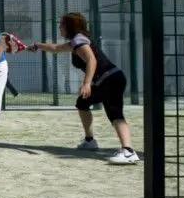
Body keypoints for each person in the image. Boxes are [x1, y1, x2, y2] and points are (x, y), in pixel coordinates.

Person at [29, 12, 139, 165]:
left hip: (111, 80)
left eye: (62, 24)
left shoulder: (79, 40)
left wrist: (87, 83)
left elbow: (91, 60)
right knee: (82, 103)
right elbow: (56, 48)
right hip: (105, 80)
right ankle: (90, 141)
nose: (60, 27)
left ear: (69, 26)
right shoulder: (76, 41)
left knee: (115, 113)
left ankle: (128, 151)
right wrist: (38, 46)